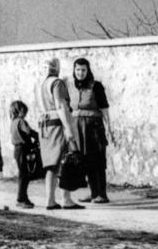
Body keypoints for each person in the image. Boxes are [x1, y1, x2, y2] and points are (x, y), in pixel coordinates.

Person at [35, 57, 81, 210]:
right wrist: (68, 129)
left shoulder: (40, 84)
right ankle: (66, 199)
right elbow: (61, 106)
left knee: (51, 165)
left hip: (44, 125)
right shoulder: (57, 83)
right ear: (56, 68)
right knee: (65, 161)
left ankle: (50, 200)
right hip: (57, 124)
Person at [68, 57, 113, 203]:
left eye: (83, 70)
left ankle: (102, 194)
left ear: (88, 71)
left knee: (98, 160)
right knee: (85, 160)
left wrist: (109, 129)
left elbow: (104, 109)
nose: (80, 73)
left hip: (94, 127)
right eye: (78, 70)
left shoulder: (96, 86)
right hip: (78, 128)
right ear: (74, 71)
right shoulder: (72, 87)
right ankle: (93, 193)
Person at [9, 99, 41, 208]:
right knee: (24, 176)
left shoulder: (13, 122)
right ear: (21, 110)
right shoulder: (21, 121)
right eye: (24, 111)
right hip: (23, 150)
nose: (25, 114)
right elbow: (28, 132)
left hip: (17, 150)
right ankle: (21, 199)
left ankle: (24, 197)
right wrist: (38, 136)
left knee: (23, 174)